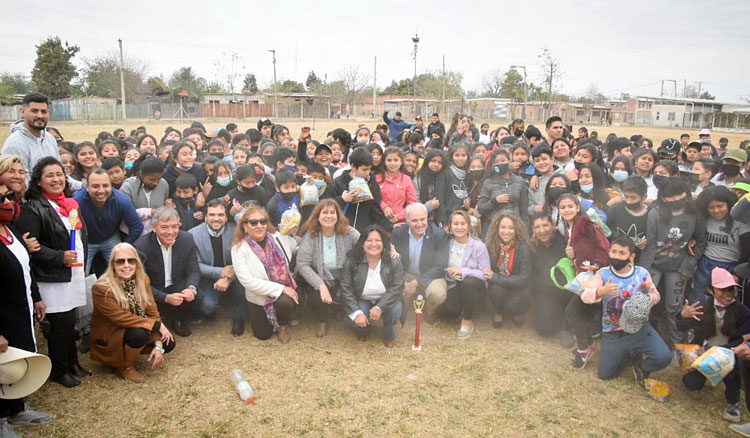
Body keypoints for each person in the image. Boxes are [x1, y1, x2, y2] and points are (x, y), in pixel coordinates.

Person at [16, 157, 90, 388]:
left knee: (70, 322)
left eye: (59, 174)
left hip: (72, 273)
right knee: (60, 325)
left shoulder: (67, 204)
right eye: (50, 175)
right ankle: (59, 369)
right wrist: (59, 257)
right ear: (38, 181)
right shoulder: (34, 208)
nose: (56, 179)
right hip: (53, 277)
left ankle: (73, 362)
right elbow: (31, 247)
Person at [0, 177, 53, 432]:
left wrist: (37, 297)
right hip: (3, 318)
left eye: (9, 195)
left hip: (21, 311)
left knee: (19, 362)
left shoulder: (11, 231)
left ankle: (17, 410)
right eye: (2, 199)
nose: (9, 202)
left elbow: (25, 269)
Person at [580, 235, 671, 384]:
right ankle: (631, 354)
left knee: (664, 357)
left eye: (622, 253)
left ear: (632, 256)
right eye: (613, 252)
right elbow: (585, 296)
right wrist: (601, 291)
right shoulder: (603, 274)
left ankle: (641, 367)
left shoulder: (642, 273)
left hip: (640, 328)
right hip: (613, 332)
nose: (616, 256)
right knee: (605, 374)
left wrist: (644, 301)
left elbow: (656, 295)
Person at [90, 243, 175, 383]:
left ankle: (130, 352)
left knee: (168, 342)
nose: (126, 265)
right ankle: (125, 366)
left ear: (136, 263)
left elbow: (151, 310)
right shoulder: (101, 288)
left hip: (136, 325)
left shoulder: (143, 279)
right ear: (112, 264)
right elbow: (120, 318)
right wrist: (157, 325)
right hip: (112, 332)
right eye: (120, 261)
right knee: (139, 334)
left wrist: (158, 343)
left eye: (131, 260)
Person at [677, 268, 750, 424]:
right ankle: (702, 377)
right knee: (690, 383)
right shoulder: (702, 306)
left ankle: (733, 403)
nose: (728, 293)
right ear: (710, 290)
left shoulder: (742, 311)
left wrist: (722, 351)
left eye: (731, 288)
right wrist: (683, 315)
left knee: (732, 374)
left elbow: (745, 337)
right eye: (722, 289)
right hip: (702, 353)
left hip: (729, 353)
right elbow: (681, 327)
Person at [640, 177, 706, 346]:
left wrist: (687, 268)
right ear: (662, 197)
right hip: (654, 265)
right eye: (671, 197)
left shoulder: (695, 212)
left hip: (678, 268)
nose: (676, 200)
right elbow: (650, 245)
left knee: (674, 307)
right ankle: (639, 341)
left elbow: (700, 241)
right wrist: (643, 273)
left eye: (679, 196)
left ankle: (677, 345)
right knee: (643, 302)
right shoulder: (655, 213)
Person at [558, 193, 610, 369]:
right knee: (581, 312)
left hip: (594, 275)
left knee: (572, 311)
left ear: (578, 207)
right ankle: (589, 343)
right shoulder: (568, 228)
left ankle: (583, 349)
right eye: (563, 207)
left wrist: (597, 263)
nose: (567, 210)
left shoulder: (586, 222)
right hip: (582, 276)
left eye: (570, 206)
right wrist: (571, 255)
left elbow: (603, 245)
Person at [231, 205, 298, 342]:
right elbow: (247, 281)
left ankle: (283, 326)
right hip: (259, 297)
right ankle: (269, 318)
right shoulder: (238, 249)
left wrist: (295, 235)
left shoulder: (279, 238)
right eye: (253, 222)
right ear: (245, 226)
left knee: (285, 302)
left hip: (282, 295)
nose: (259, 225)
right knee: (263, 335)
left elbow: (296, 249)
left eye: (263, 221)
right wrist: (282, 288)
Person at [296, 200, 361, 337]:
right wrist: (320, 285)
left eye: (333, 212)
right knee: (318, 297)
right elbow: (302, 264)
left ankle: (339, 310)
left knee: (348, 292)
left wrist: (389, 247)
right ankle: (322, 321)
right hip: (319, 275)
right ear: (317, 216)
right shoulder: (310, 235)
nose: (329, 216)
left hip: (343, 275)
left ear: (338, 215)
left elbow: (366, 241)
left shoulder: (348, 231)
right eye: (324, 213)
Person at [133, 206, 200, 338]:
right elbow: (139, 282)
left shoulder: (187, 239)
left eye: (174, 226)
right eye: (164, 227)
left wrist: (191, 288)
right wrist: (165, 298)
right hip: (153, 289)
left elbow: (193, 269)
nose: (170, 232)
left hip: (176, 285)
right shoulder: (141, 246)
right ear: (154, 227)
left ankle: (178, 319)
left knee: (200, 296)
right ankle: (160, 318)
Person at [188, 199, 246, 336]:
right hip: (209, 277)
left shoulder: (236, 232)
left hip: (235, 275)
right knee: (208, 306)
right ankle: (210, 311)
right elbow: (195, 265)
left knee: (241, 289)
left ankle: (239, 319)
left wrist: (227, 278)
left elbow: (243, 261)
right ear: (206, 217)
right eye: (212, 215)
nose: (216, 219)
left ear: (226, 217)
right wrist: (219, 272)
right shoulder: (192, 234)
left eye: (220, 215)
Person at [340, 225, 404, 347]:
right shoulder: (352, 260)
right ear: (362, 243)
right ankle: (363, 330)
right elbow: (345, 287)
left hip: (386, 299)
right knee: (356, 318)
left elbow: (397, 286)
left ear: (384, 243)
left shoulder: (394, 259)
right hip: (362, 298)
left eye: (378, 240)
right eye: (369, 240)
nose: (373, 244)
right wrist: (357, 313)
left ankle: (388, 333)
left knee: (395, 310)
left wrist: (379, 307)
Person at [73, 168, 143, 274]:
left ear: (111, 186)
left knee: (123, 270)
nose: (101, 190)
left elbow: (137, 226)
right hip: (86, 242)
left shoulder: (121, 200)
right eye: (95, 186)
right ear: (87, 187)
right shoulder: (77, 201)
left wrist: (124, 246)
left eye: (105, 186)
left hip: (110, 238)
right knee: (80, 273)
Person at [691, 187, 750, 303]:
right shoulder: (705, 219)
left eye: (720, 206)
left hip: (730, 267)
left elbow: (746, 249)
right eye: (711, 207)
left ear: (728, 204)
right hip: (705, 265)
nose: (716, 211)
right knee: (699, 301)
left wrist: (736, 274)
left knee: (727, 303)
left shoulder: (739, 221)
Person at [392, 203, 449, 322]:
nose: (419, 224)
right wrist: (402, 281)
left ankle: (429, 310)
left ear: (427, 217)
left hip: (431, 274)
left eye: (422, 219)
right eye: (414, 221)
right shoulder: (398, 233)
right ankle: (403, 304)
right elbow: (393, 262)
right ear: (407, 221)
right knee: (392, 285)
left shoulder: (439, 235)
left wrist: (416, 282)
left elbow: (440, 266)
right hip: (406, 273)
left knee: (437, 294)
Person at [442, 210, 490, 339]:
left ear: (469, 226)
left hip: (474, 286)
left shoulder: (479, 246)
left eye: (463, 223)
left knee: (469, 283)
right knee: (451, 311)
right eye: (455, 224)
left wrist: (463, 271)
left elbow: (485, 274)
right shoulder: (447, 243)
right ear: (450, 227)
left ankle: (467, 320)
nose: (459, 227)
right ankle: (461, 308)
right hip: (453, 284)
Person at [485, 211, 533, 328]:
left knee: (520, 297)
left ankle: (518, 311)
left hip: (518, 287)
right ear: (497, 228)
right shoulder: (491, 245)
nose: (507, 231)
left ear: (517, 230)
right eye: (503, 227)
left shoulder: (524, 248)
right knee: (496, 290)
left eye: (511, 228)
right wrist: (495, 278)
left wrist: (495, 277)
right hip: (498, 286)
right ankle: (499, 311)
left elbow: (523, 279)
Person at [332, 147, 392, 235]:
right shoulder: (339, 182)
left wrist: (390, 226)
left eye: (369, 169)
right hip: (342, 232)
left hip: (364, 233)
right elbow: (328, 207)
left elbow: (375, 208)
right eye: (364, 170)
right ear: (353, 166)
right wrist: (342, 200)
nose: (367, 173)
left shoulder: (371, 182)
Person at [2, 93, 59, 184]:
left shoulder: (49, 138)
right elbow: (21, 185)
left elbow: (62, 174)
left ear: (48, 113)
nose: (40, 116)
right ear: (22, 112)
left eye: (43, 112)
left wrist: (84, 186)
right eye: (34, 111)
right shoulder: (15, 143)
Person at [477, 149, 529, 229]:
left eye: (503, 160)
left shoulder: (519, 181)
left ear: (509, 161)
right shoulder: (488, 182)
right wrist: (494, 201)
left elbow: (524, 208)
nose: (500, 164)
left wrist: (525, 228)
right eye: (496, 162)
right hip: (494, 226)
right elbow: (481, 208)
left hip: (515, 225)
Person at [120, 156, 170, 237]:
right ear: (141, 174)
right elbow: (125, 215)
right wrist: (150, 212)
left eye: (158, 179)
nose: (155, 183)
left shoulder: (164, 184)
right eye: (151, 179)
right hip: (131, 233)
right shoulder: (128, 187)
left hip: (156, 233)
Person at [376, 147, 417, 228]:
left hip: (401, 223)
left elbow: (412, 204)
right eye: (389, 160)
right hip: (379, 220)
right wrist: (384, 207)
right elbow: (374, 197)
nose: (392, 163)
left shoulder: (406, 179)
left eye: (396, 160)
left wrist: (398, 216)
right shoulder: (377, 178)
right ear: (384, 161)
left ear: (401, 161)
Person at [435, 144, 471, 227]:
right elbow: (439, 197)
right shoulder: (445, 173)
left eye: (463, 155)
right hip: (448, 215)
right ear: (451, 156)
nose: (460, 158)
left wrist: (467, 200)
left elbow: (467, 192)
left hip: (463, 215)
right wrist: (442, 222)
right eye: (457, 155)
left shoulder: (468, 173)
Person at [412, 149, 443, 223]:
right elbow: (415, 206)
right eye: (433, 161)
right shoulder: (418, 180)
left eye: (439, 162)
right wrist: (430, 206)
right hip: (422, 219)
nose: (436, 164)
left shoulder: (444, 178)